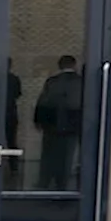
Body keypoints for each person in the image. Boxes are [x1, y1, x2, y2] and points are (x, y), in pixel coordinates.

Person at [33, 54, 83, 191]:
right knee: (67, 157)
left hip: (51, 125)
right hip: (72, 126)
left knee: (48, 155)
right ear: (74, 65)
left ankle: (45, 183)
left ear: (59, 66)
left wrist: (38, 121)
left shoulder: (52, 81)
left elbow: (42, 101)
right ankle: (62, 186)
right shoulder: (82, 82)